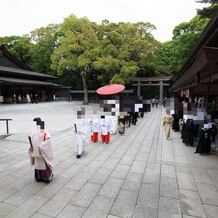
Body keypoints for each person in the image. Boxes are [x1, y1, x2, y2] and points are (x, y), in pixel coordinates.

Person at [28, 118, 54, 183]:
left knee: (44, 164)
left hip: (42, 152)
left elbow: (48, 140)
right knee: (37, 165)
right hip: (35, 151)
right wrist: (30, 146)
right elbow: (30, 141)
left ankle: (46, 177)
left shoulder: (44, 131)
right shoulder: (33, 132)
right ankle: (38, 177)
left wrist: (41, 146)